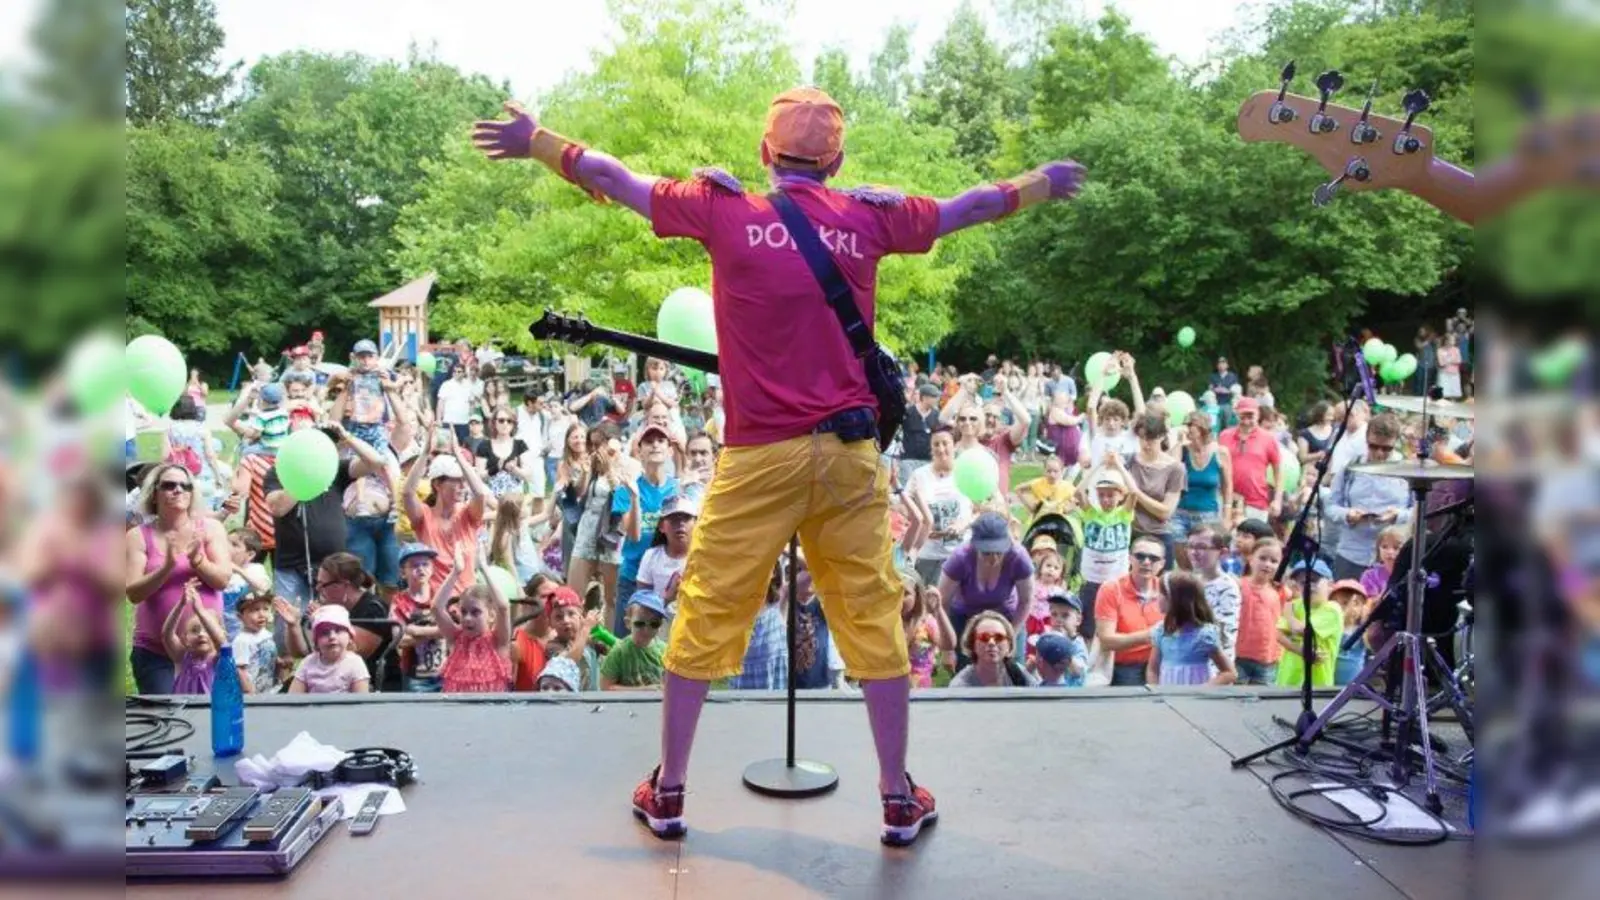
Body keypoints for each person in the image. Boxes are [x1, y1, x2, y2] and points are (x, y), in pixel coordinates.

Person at [473, 84, 1083, 844]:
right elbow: (971, 208)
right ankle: (896, 796)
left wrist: (537, 142)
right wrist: (1040, 185)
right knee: (873, 619)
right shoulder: (871, 217)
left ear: (767, 153)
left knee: (703, 613)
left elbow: (613, 178)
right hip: (849, 458)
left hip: (759, 459)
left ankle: (671, 790)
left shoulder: (722, 210)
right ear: (838, 161)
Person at [1146, 572, 1235, 686]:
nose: (1156, 596)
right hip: (1168, 695)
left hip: (1196, 697)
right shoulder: (1162, 632)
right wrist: (1156, 691)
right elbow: (1152, 670)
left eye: (1161, 593)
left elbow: (1229, 673)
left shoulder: (1204, 636)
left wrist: (1202, 690)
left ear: (1175, 600)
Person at [601, 589, 670, 691]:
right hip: (627, 701)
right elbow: (606, 687)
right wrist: (643, 690)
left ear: (660, 625)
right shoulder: (619, 652)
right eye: (640, 624)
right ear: (628, 623)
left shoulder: (664, 651)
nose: (646, 629)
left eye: (654, 624)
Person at [948, 612, 1039, 687]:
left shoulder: (1019, 674)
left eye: (999, 637)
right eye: (984, 637)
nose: (991, 642)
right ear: (972, 644)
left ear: (1009, 645)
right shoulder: (960, 686)